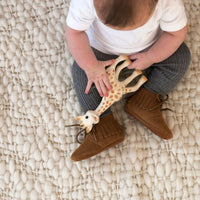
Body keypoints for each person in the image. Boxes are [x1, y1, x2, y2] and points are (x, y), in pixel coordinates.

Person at [65, 0, 191, 161]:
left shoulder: (168, 3)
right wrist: (92, 67)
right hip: (101, 50)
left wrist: (151, 57)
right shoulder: (85, 2)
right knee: (81, 69)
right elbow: (74, 32)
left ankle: (146, 101)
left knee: (181, 56)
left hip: (149, 47)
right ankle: (102, 125)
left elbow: (176, 34)